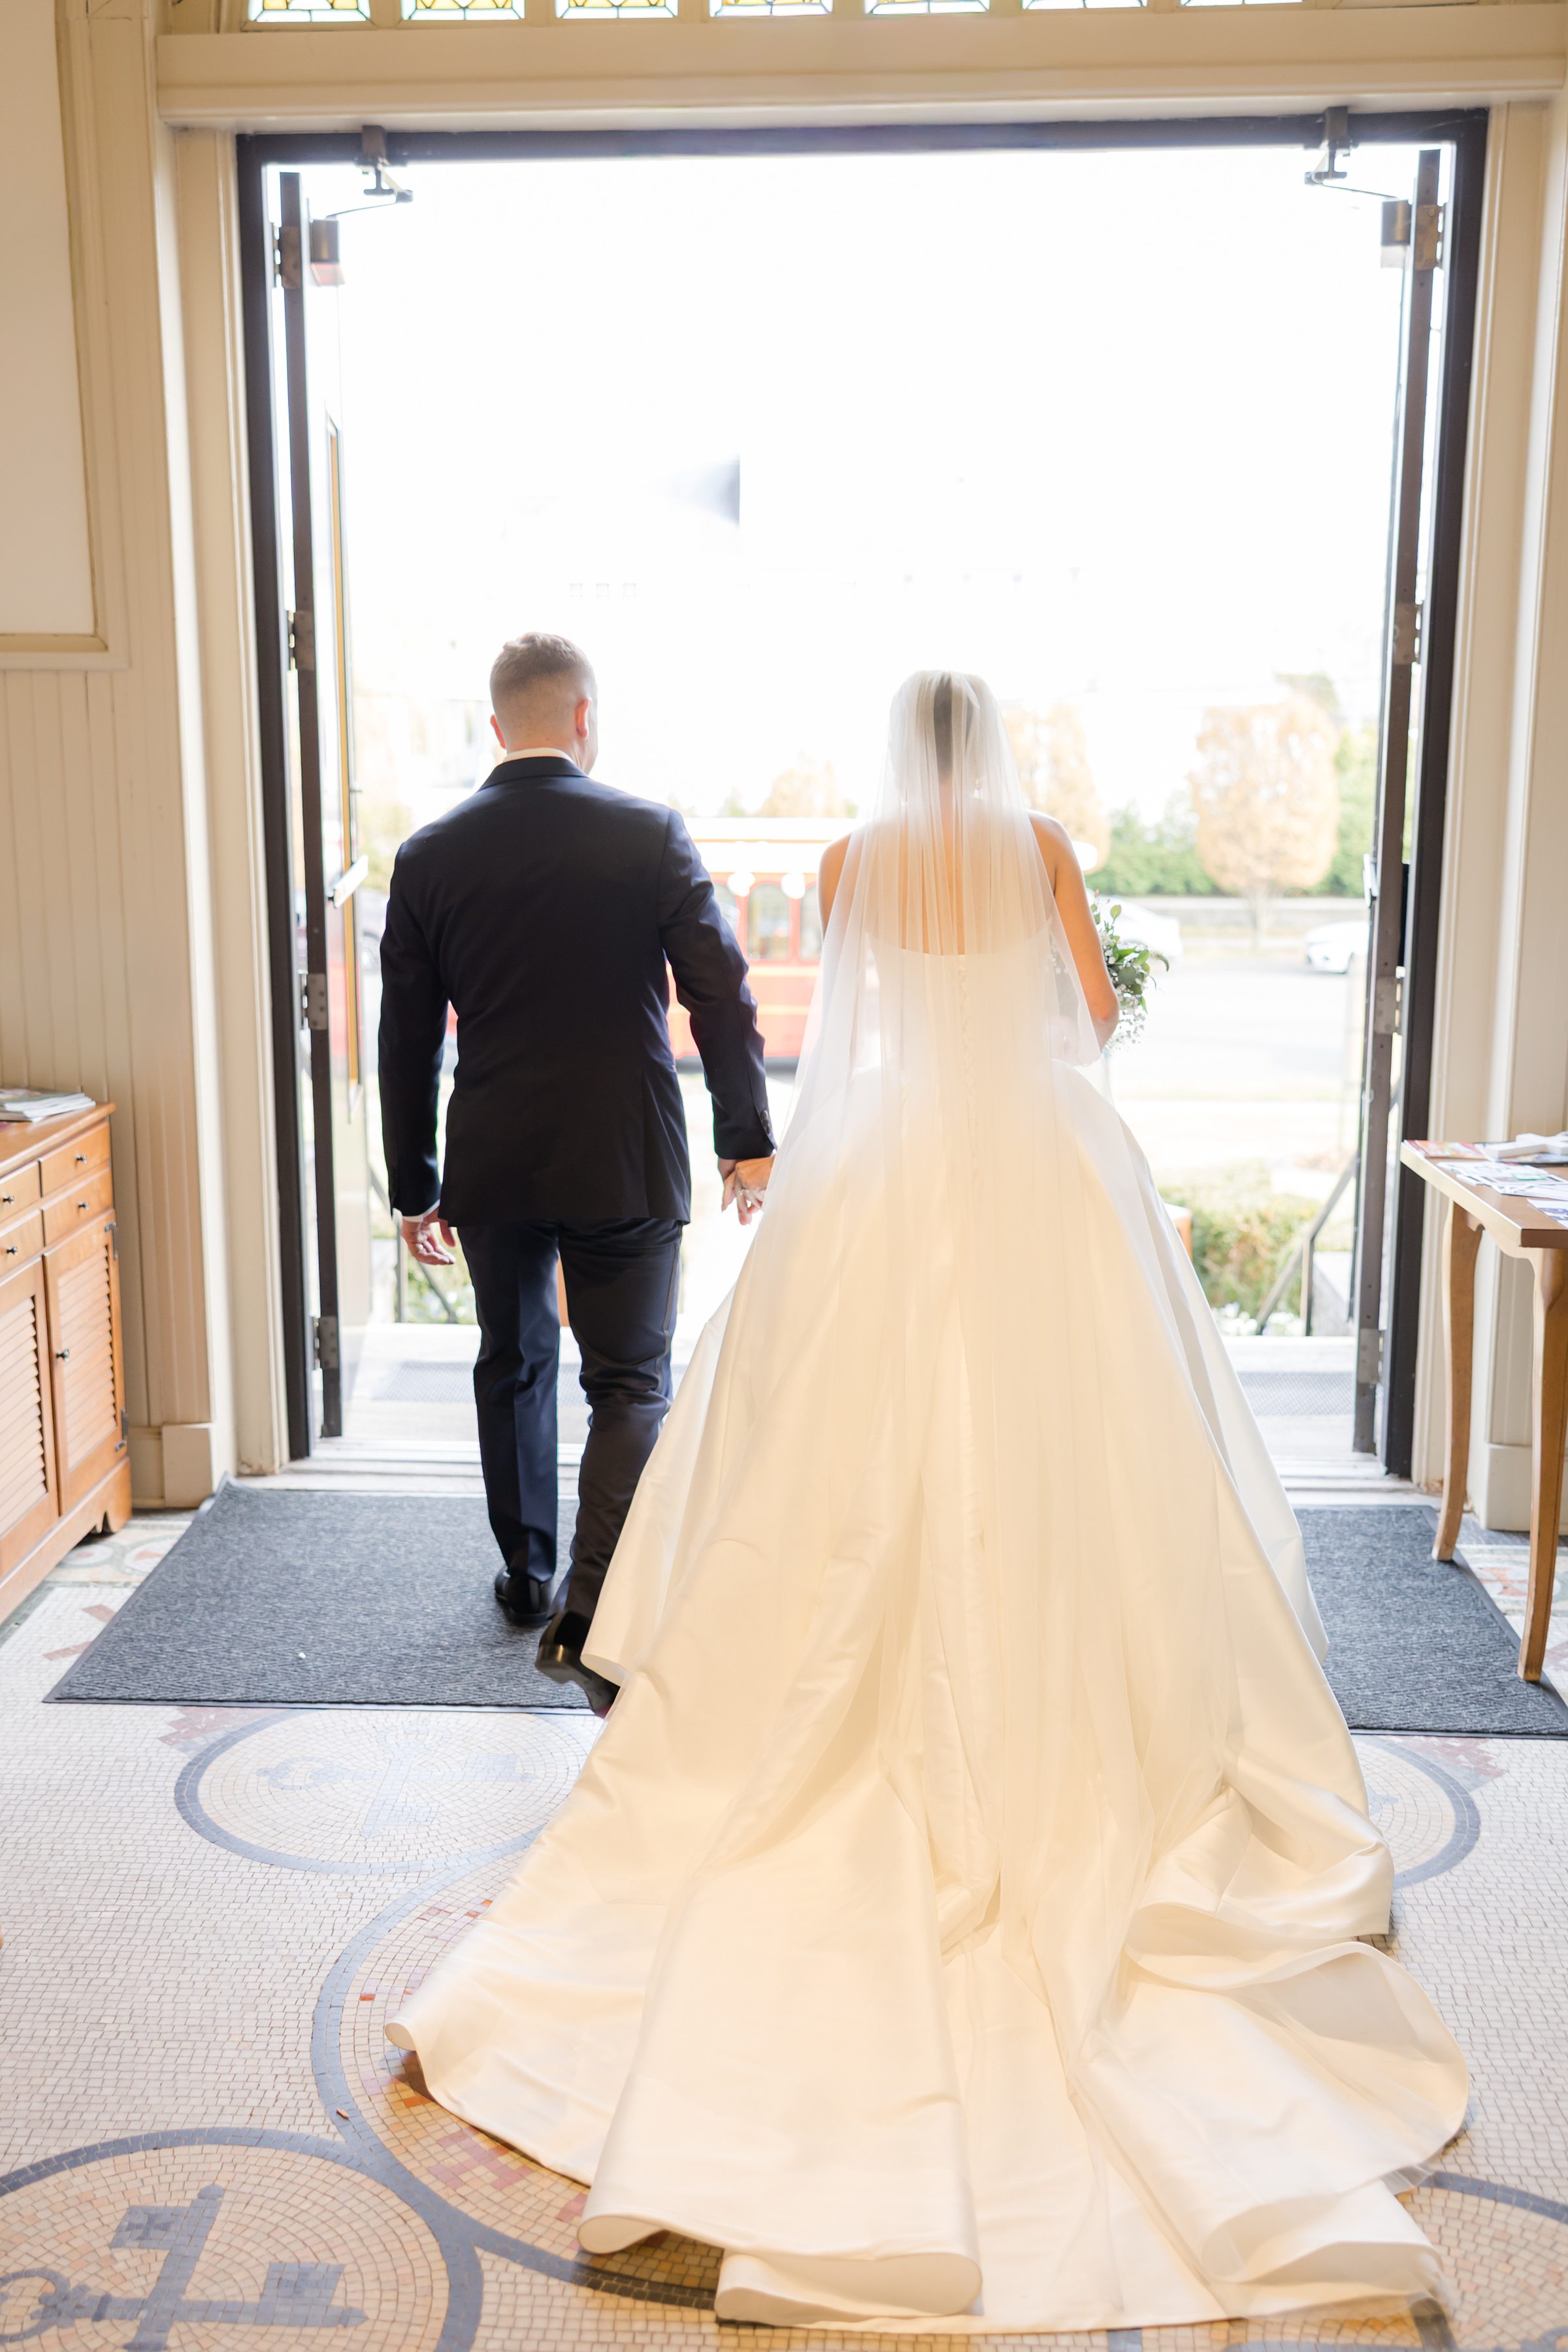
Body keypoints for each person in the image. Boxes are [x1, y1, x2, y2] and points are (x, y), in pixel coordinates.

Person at [386, 672, 1467, 2332]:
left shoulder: (844, 863)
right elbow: (1089, 1024)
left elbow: (841, 1030)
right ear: (999, 751)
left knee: (842, 1443)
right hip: (1034, 1163)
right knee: (1085, 1440)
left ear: (904, 752)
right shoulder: (1036, 843)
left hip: (884, 1177)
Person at [377, 632, 775, 1708]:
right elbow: (721, 997)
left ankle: (526, 1572)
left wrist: (413, 1181)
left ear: (499, 727)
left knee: (514, 1359)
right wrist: (746, 1138)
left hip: (496, 1154)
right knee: (629, 1381)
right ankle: (596, 1598)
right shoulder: (648, 834)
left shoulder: (429, 856)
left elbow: (406, 1039)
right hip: (625, 1152)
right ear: (587, 718)